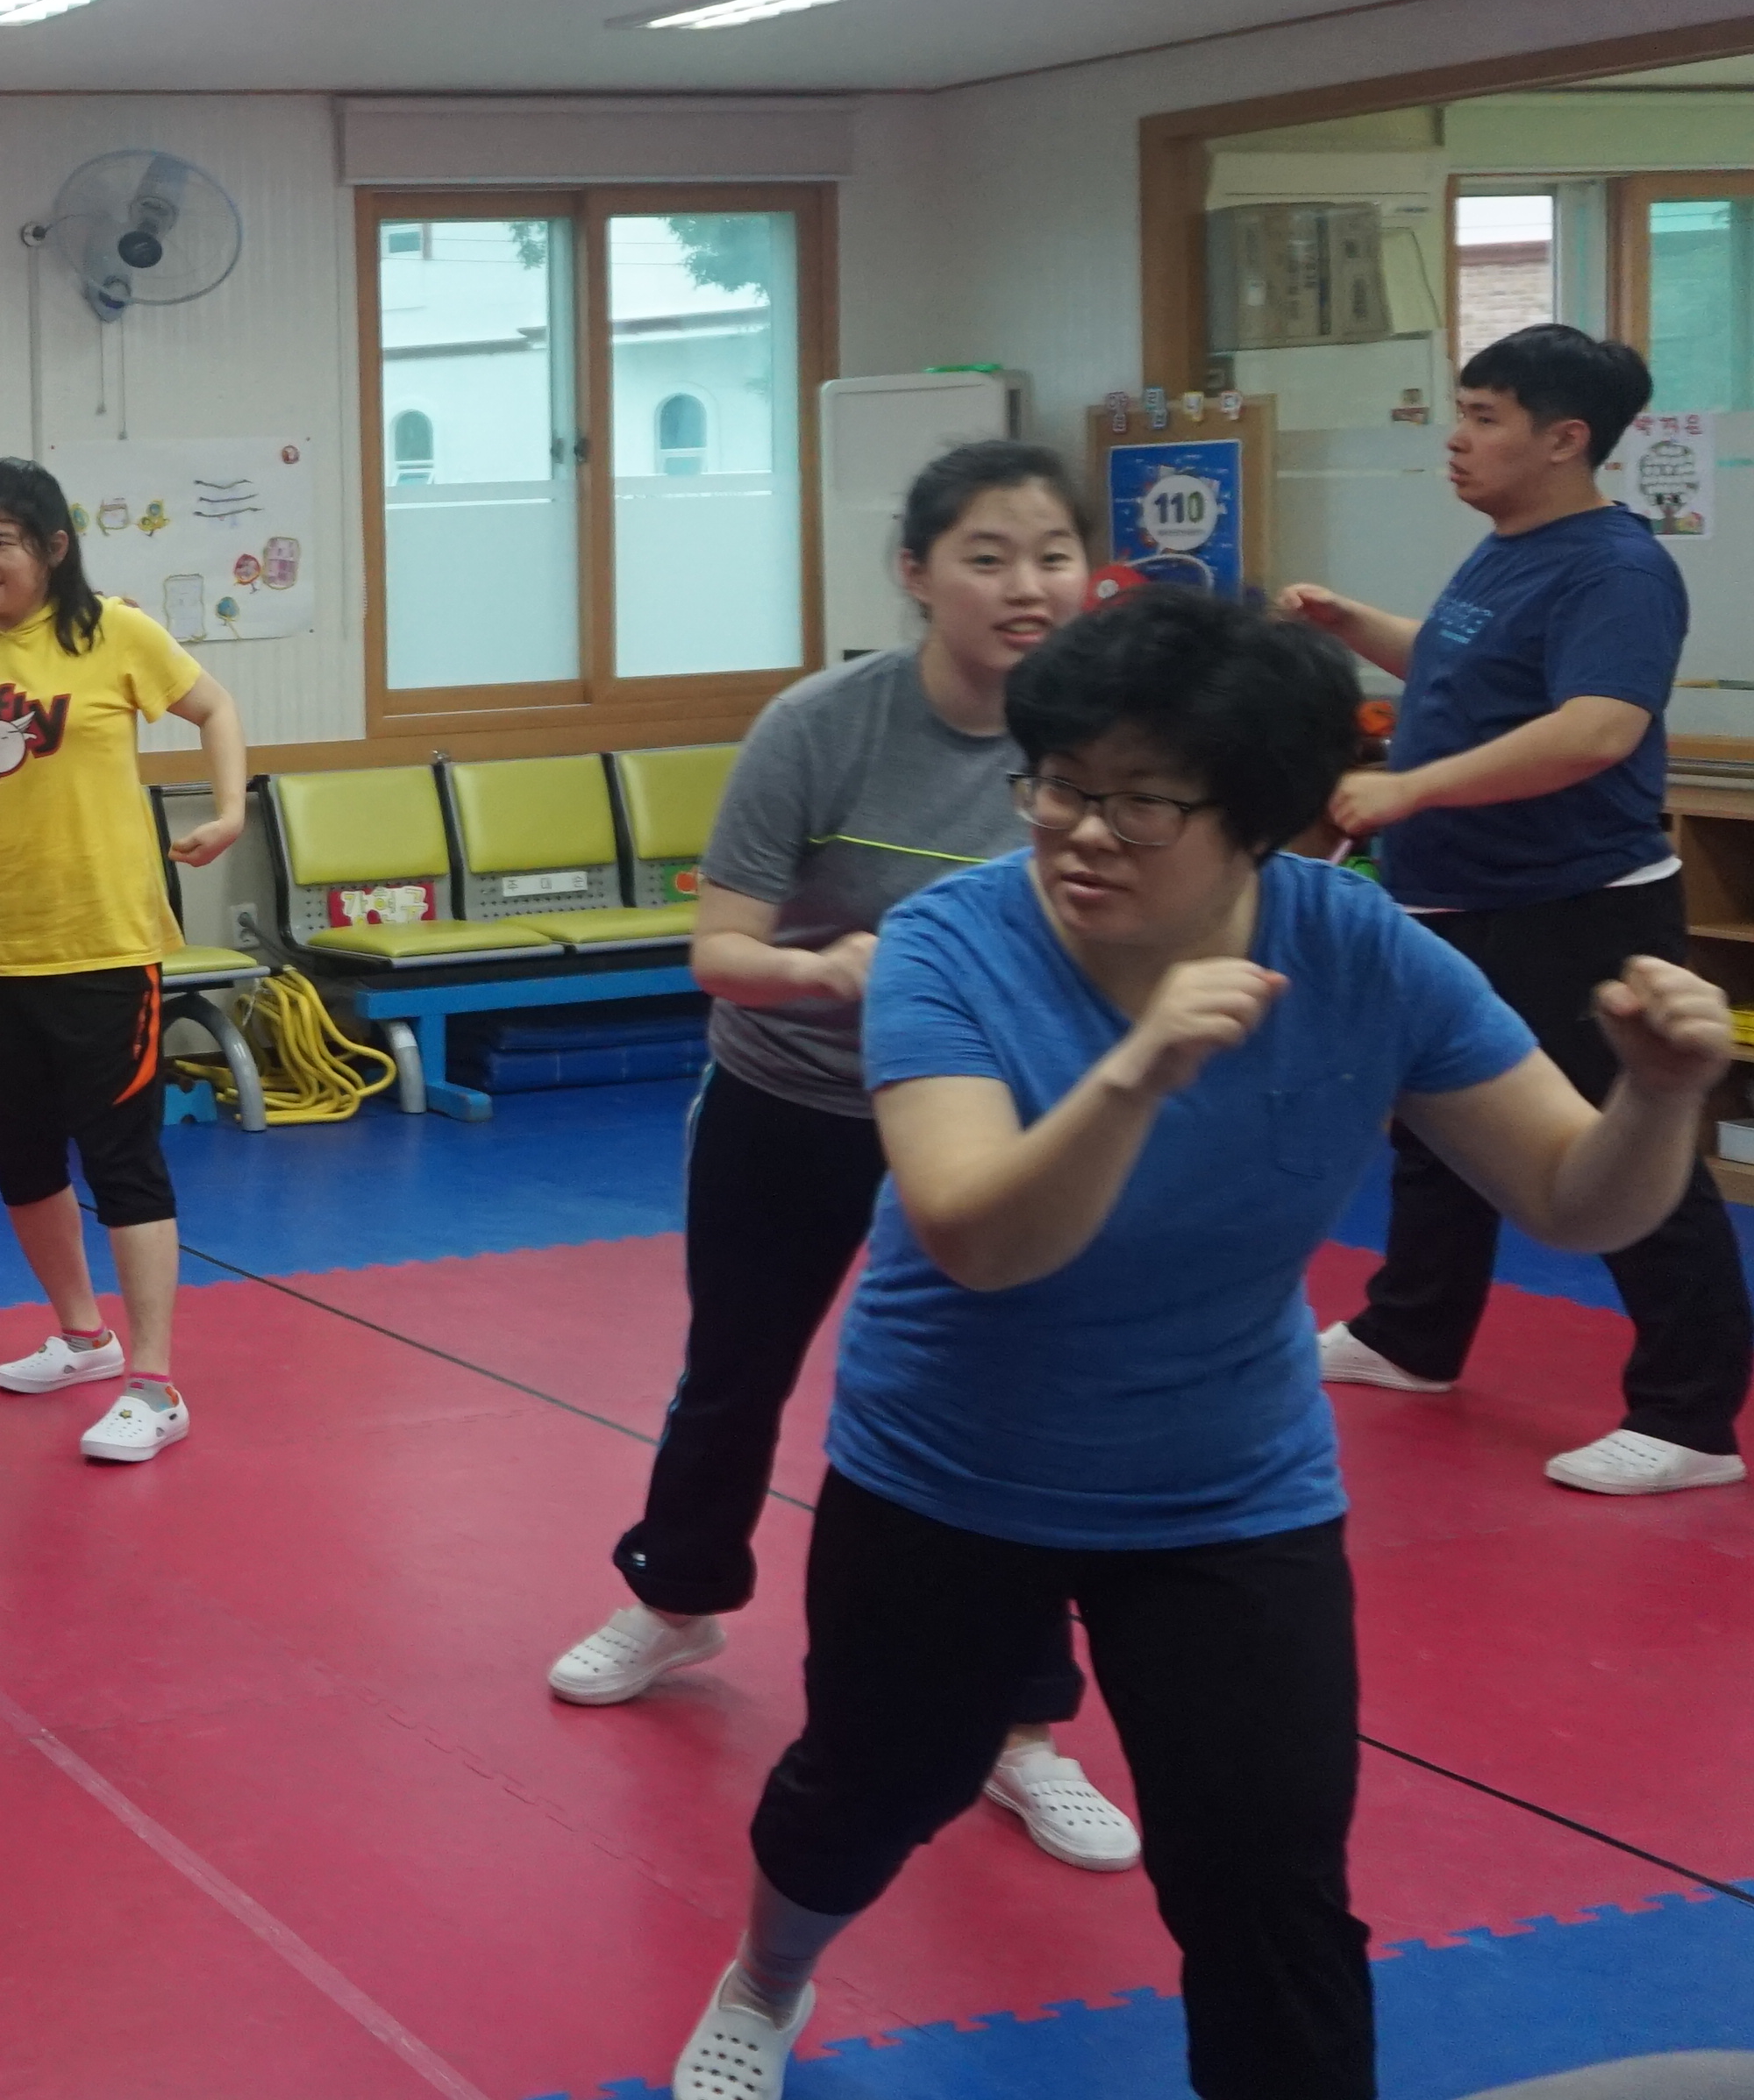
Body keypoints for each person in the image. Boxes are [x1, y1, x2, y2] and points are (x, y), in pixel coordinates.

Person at [660, 585, 1725, 2100]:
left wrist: (1660, 1098)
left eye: (1141, 803)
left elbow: (1571, 1198)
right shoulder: (950, 942)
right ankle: (767, 1978)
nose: (1081, 831)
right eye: (1058, 786)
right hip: (951, 1470)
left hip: (1228, 1486)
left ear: (1266, 821)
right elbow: (975, 1233)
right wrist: (1135, 1071)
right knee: (865, 1794)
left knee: (1268, 1884)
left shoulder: (1361, 947)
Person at [547, 443, 1140, 1876]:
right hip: (796, 1096)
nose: (1026, 584)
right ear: (916, 572)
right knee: (735, 1367)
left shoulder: (1110, 733)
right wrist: (834, 972)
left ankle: (1024, 1723)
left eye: (1052, 553)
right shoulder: (822, 724)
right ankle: (677, 1595)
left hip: (1000, 1117)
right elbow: (720, 949)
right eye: (987, 556)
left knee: (1017, 1398)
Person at [1283, 324, 1752, 1497]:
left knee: (1626, 1148)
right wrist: (1352, 624)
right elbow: (1462, 668)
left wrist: (1410, 789)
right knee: (1440, 1126)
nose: (1456, 438)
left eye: (1484, 417)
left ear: (1563, 439)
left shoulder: (1616, 568)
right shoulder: (1507, 550)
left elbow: (1596, 727)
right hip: (1460, 896)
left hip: (1572, 906)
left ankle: (1690, 1420)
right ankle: (1411, 1335)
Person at [0, 458, 246, 1465]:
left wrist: (228, 811)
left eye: (1, 540)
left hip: (102, 943)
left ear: (53, 548)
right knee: (21, 1157)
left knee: (120, 1160)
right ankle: (81, 1335)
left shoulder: (112, 633)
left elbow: (213, 707)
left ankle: (153, 1384)